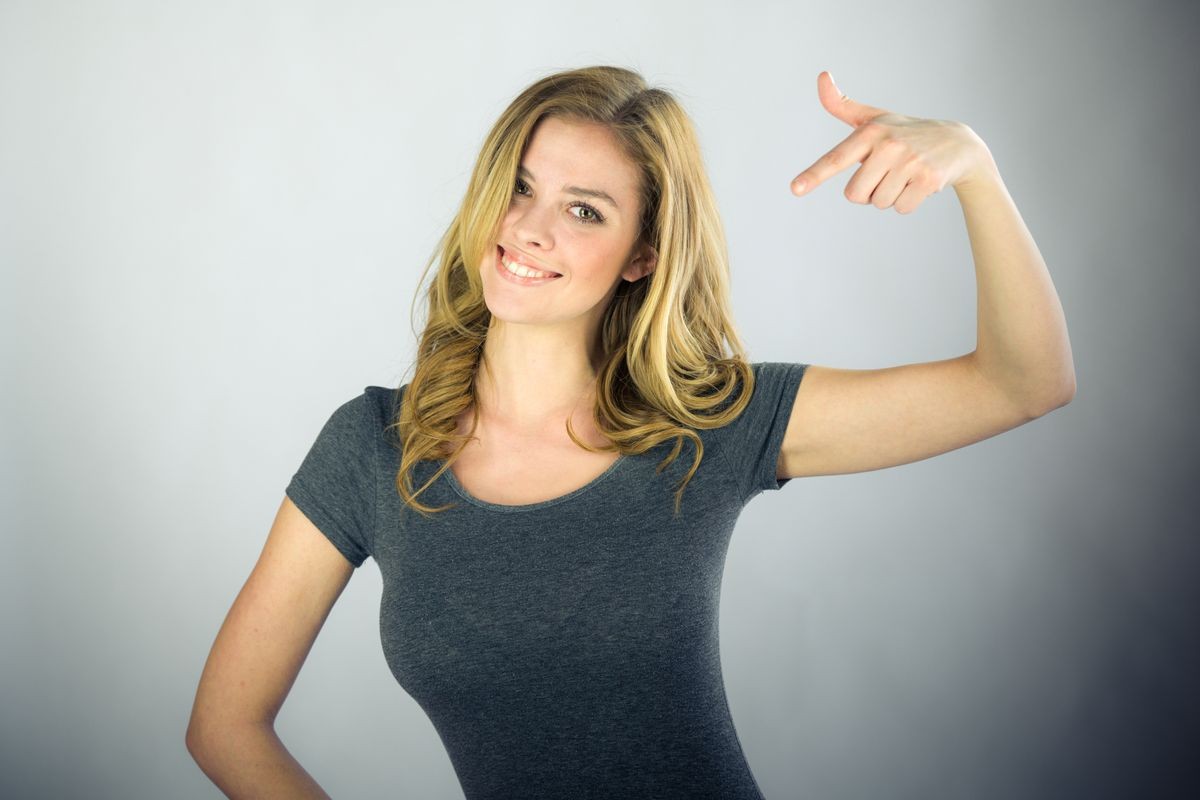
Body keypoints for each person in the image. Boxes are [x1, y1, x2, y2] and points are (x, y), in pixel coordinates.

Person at [185, 65, 1075, 798]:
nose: (528, 230)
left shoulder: (709, 424)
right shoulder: (373, 446)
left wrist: (977, 169)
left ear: (642, 256)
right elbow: (225, 726)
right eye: (520, 189)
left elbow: (1024, 382)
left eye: (584, 210)